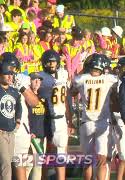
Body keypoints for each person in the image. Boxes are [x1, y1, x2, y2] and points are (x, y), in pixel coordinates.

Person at [70, 53, 118, 180]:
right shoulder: (109, 79)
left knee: (88, 160)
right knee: (102, 160)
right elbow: (117, 86)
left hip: (87, 123)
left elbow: (72, 91)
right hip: (102, 122)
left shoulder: (81, 79)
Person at [38, 50, 73, 180]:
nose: (52, 65)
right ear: (44, 63)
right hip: (46, 119)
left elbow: (67, 99)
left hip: (61, 119)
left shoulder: (63, 74)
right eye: (49, 62)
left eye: (54, 62)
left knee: (61, 155)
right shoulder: (40, 76)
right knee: (47, 153)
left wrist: (70, 120)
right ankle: (43, 177)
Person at [0, 61, 22, 180]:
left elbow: (19, 106)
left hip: (11, 132)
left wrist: (18, 121)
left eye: (11, 74)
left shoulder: (14, 91)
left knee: (8, 163)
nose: (10, 77)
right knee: (6, 165)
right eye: (6, 74)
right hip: (1, 132)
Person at [27, 72, 48, 180]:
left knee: (38, 167)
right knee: (28, 166)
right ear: (29, 81)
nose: (37, 82)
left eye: (39, 80)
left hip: (42, 136)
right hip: (31, 136)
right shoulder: (26, 96)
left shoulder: (43, 96)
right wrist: (29, 132)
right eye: (34, 79)